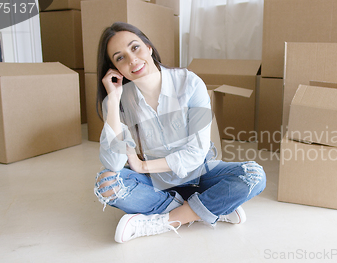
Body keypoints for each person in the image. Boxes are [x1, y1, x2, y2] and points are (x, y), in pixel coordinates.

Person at [93, 22, 266, 243]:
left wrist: (143, 165)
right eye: (120, 58)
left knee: (254, 175)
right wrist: (114, 100)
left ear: (148, 47)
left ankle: (163, 221)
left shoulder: (190, 83)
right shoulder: (118, 101)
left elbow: (196, 153)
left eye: (135, 48)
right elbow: (113, 164)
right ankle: (207, 208)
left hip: (200, 172)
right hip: (154, 182)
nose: (132, 60)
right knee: (106, 184)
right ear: (116, 69)